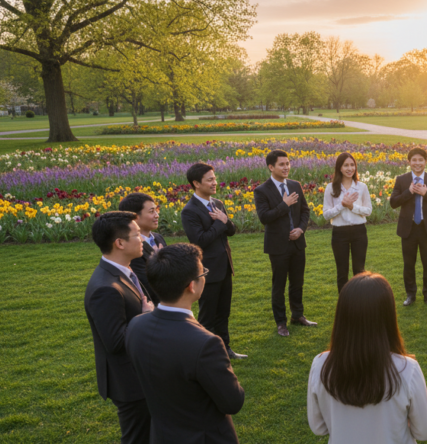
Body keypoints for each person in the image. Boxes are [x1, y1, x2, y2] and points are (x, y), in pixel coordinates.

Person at [127, 244, 245, 444]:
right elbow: (233, 400)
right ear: (192, 286)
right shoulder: (204, 343)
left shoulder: (135, 325)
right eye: (203, 272)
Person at [308, 272, 427, 444]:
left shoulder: (321, 366)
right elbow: (425, 431)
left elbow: (318, 427)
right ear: (388, 317)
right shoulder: (407, 370)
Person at [84, 211, 168, 444]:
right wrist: (146, 316)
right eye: (136, 235)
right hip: (127, 381)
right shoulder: (106, 287)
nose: (142, 239)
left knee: (148, 433)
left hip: (139, 373)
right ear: (119, 243)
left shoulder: (124, 271)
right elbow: (116, 343)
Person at [181, 162, 246, 359]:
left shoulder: (217, 203)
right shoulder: (189, 211)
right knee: (208, 316)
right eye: (210, 180)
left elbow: (232, 230)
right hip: (207, 270)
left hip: (225, 267)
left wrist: (225, 221)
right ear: (196, 183)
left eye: (214, 178)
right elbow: (200, 240)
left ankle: (225, 349)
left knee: (223, 313)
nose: (214, 182)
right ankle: (206, 354)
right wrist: (220, 222)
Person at [253, 149, 317, 337]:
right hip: (278, 246)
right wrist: (285, 204)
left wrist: (301, 229)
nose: (286, 167)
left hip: (298, 243)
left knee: (297, 282)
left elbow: (305, 211)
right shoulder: (261, 190)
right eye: (282, 164)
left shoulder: (295, 185)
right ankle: (281, 323)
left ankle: (298, 316)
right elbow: (264, 217)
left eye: (288, 163)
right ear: (271, 167)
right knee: (279, 284)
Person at [389, 147, 427, 306]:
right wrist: (409, 192)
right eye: (414, 160)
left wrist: (426, 193)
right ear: (409, 162)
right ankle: (410, 295)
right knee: (409, 264)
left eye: (421, 160)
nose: (417, 163)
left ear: (425, 161)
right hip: (409, 229)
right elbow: (393, 203)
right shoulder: (402, 179)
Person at [322, 152, 373, 292]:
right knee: (342, 272)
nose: (350, 168)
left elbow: (368, 210)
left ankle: (359, 303)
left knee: (359, 271)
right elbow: (326, 214)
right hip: (339, 233)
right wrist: (342, 205)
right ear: (339, 168)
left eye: (352, 165)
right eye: (346, 165)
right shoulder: (331, 188)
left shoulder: (362, 187)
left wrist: (352, 207)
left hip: (359, 232)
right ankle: (344, 305)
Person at [120, 192, 167, 304]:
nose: (157, 215)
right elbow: (147, 284)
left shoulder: (158, 238)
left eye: (156, 210)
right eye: (151, 211)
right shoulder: (131, 247)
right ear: (134, 217)